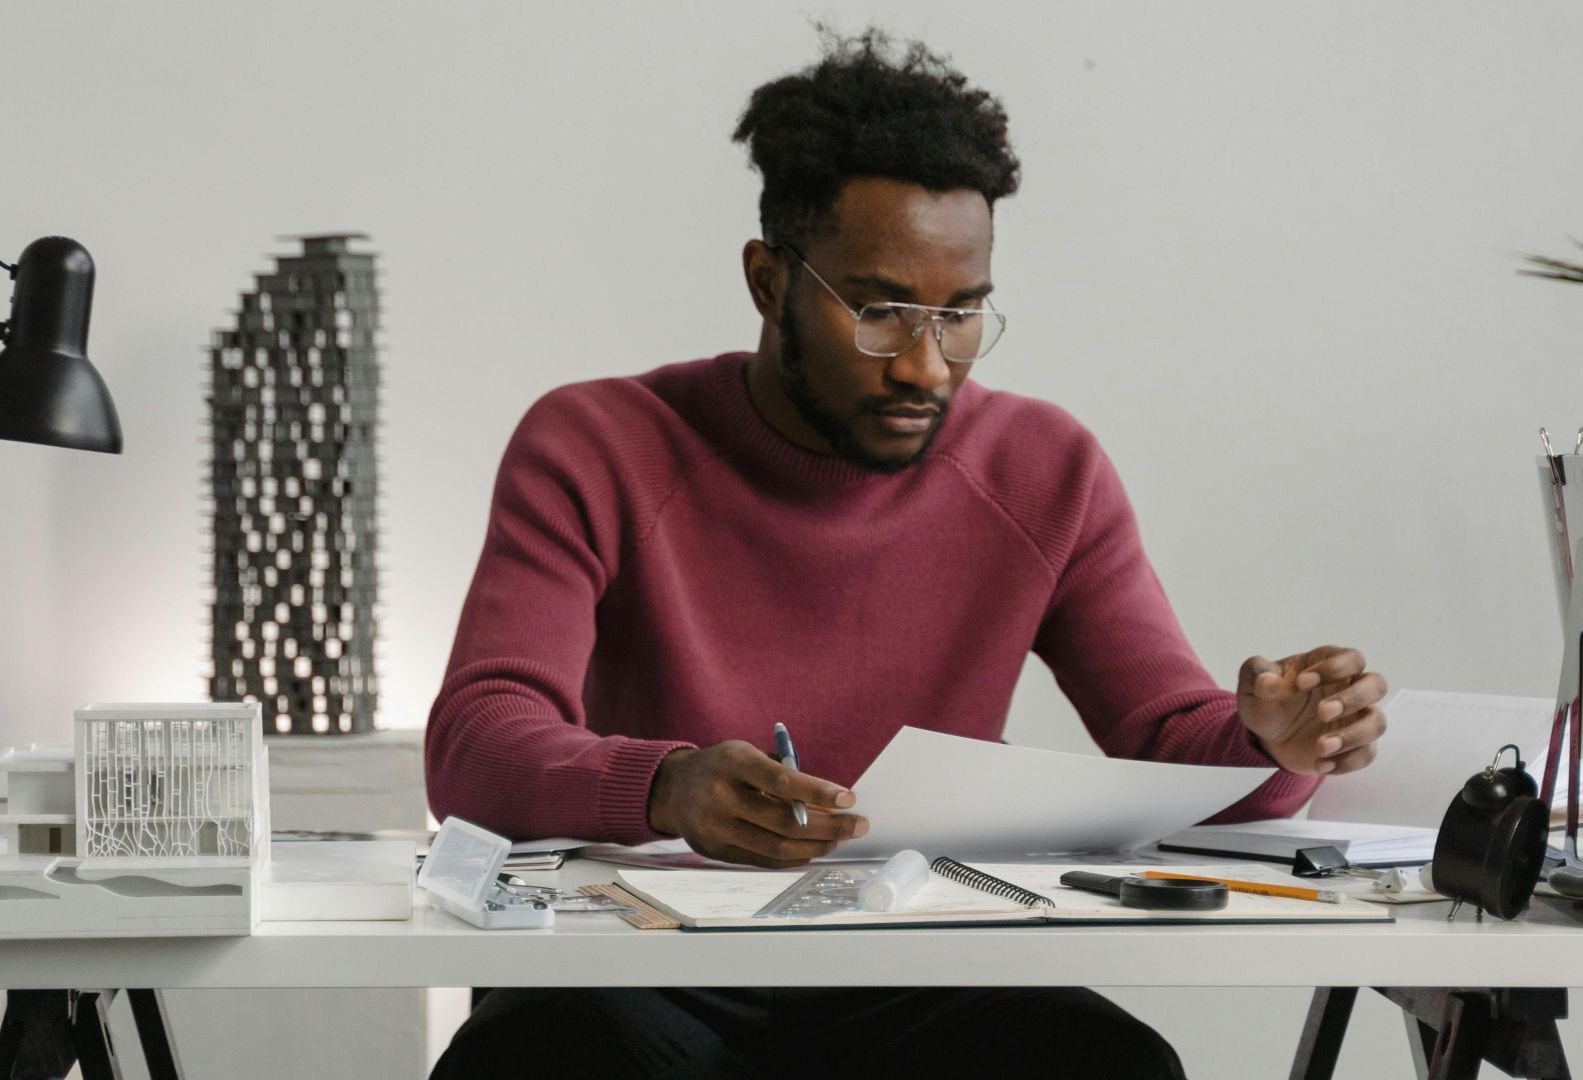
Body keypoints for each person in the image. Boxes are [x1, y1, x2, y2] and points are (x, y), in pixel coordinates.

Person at [426, 28, 1387, 1080]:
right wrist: (667, 788)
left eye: (962, 315)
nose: (926, 366)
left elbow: (1164, 736)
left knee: (1112, 1068)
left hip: (925, 955)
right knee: (534, 1060)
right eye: (879, 313)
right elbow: (477, 742)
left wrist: (1269, 742)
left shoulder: (1045, 470)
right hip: (642, 952)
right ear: (767, 282)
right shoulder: (598, 445)